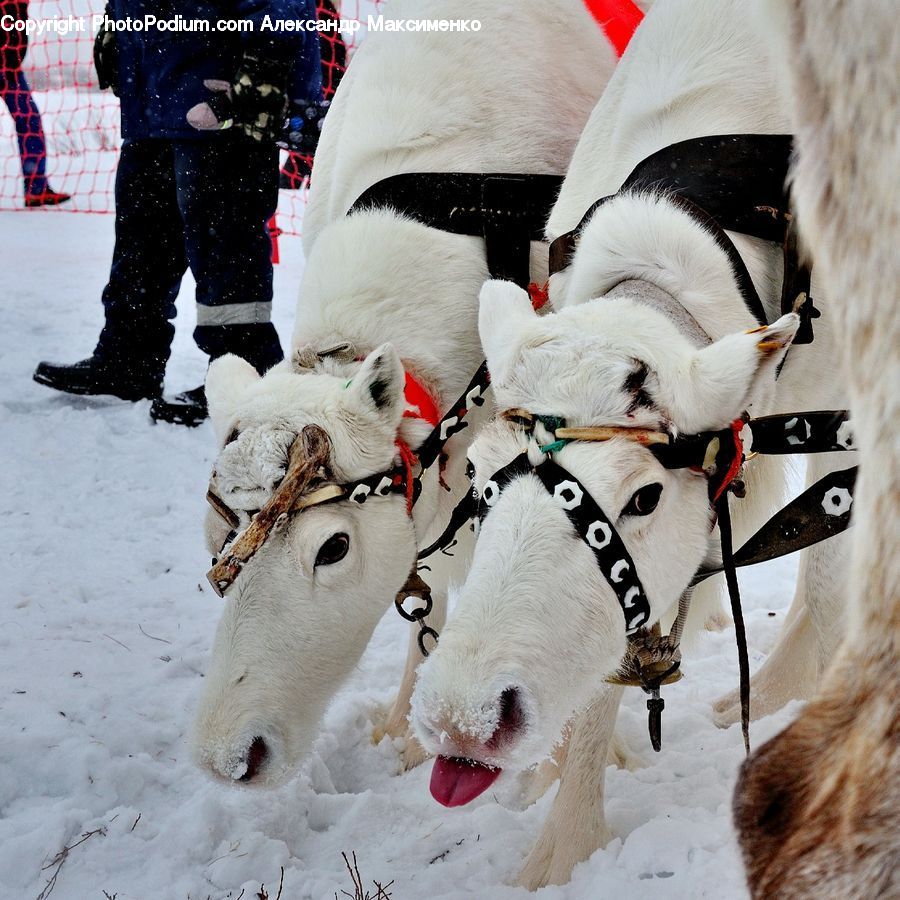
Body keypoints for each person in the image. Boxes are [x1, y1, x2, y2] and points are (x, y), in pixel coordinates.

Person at [33, 0, 322, 425]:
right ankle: (127, 361)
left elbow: (282, 8)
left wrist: (260, 76)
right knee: (141, 245)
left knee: (227, 253)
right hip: (153, 99)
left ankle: (243, 372)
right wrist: (117, 31)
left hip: (217, 102)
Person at [0, 0, 70, 207]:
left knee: (30, 122)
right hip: (6, 67)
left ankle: (36, 189)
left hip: (10, 69)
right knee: (30, 122)